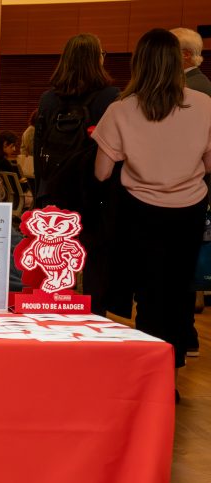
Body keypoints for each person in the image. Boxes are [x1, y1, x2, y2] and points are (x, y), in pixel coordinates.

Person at [93, 28, 211, 381]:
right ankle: (172, 369)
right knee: (177, 290)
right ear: (178, 62)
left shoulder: (120, 109)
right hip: (189, 210)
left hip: (140, 211)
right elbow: (209, 164)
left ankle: (151, 377)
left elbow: (101, 173)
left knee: (147, 291)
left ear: (138, 63)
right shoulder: (205, 105)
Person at [34, 33, 120, 315]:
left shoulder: (48, 99)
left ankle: (53, 319)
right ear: (98, 59)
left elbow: (39, 149)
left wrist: (41, 193)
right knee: (95, 262)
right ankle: (94, 321)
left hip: (54, 192)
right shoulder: (110, 98)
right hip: (93, 193)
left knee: (54, 262)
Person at [171, 27, 210, 357]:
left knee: (179, 270)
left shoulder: (194, 92)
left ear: (184, 55)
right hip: (188, 194)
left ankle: (183, 337)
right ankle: (186, 336)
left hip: (184, 195)